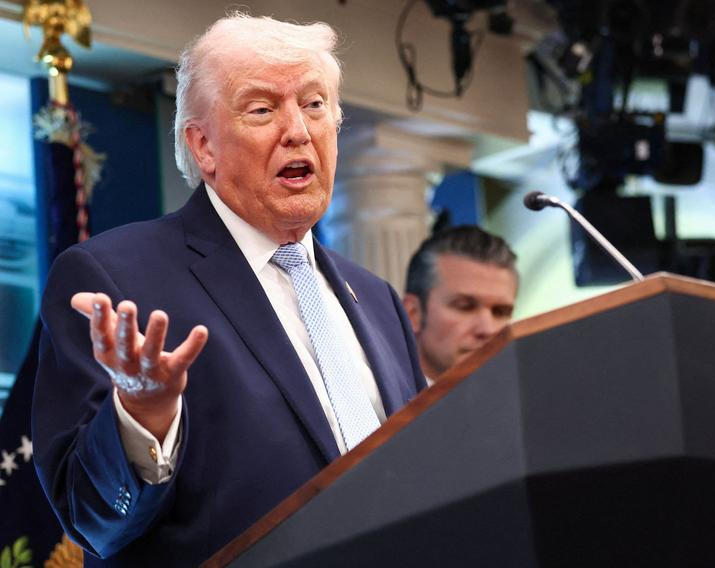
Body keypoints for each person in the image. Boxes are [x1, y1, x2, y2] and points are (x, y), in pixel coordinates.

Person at [32, 14, 425, 565]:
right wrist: (143, 416)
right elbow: (91, 517)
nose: (298, 130)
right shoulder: (114, 277)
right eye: (263, 109)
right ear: (204, 147)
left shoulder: (377, 298)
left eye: (315, 106)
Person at [402, 226, 518, 383]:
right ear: (413, 313)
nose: (487, 329)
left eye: (500, 311)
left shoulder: (532, 402)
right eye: (465, 306)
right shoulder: (376, 403)